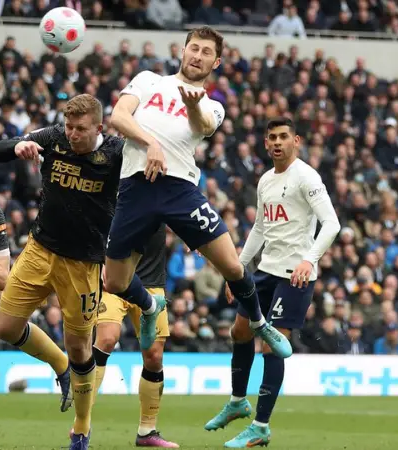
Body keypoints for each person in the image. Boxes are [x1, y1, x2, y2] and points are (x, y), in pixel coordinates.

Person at [102, 25, 291, 358]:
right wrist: (151, 143)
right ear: (183, 50)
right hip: (135, 187)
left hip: (180, 190)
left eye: (207, 53)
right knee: (114, 282)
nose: (198, 56)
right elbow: (118, 116)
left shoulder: (212, 104)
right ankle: (149, 306)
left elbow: (203, 126)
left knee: (233, 267)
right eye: (195, 48)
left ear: (215, 63)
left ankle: (260, 323)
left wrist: (191, 105)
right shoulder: (149, 80)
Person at [0, 94, 124, 450]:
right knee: (3, 327)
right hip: (39, 250)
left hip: (83, 263)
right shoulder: (52, 138)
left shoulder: (117, 153)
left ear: (99, 127)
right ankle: (59, 365)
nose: (74, 134)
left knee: (81, 349)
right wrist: (20, 146)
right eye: (69, 127)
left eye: (81, 129)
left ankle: (81, 427)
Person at [204, 118, 341, 448]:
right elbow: (261, 230)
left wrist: (309, 260)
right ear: (266, 144)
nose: (277, 142)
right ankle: (238, 402)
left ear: (296, 141)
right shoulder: (265, 180)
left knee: (272, 343)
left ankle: (261, 426)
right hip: (265, 271)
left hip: (295, 274)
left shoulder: (307, 177)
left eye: (283, 137)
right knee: (238, 332)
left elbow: (332, 224)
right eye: (272, 138)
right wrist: (236, 268)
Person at [92, 224, 179, 448]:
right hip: (115, 280)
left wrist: (196, 238)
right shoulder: (114, 191)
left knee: (154, 357)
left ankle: (147, 431)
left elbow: (182, 210)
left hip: (151, 283)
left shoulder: (165, 190)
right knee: (107, 339)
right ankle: (82, 424)